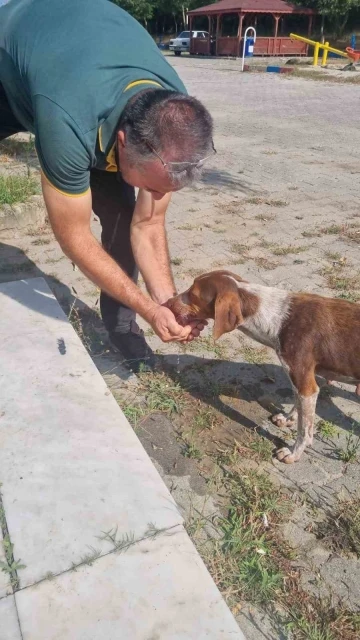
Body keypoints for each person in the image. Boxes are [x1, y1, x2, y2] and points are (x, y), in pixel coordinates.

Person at [0, 0, 214, 371]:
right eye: (155, 186)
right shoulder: (68, 122)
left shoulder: (173, 110)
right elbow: (74, 238)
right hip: (11, 54)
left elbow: (147, 226)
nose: (159, 197)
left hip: (79, 67)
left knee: (123, 214)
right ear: (123, 142)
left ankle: (121, 328)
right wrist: (146, 307)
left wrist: (166, 303)